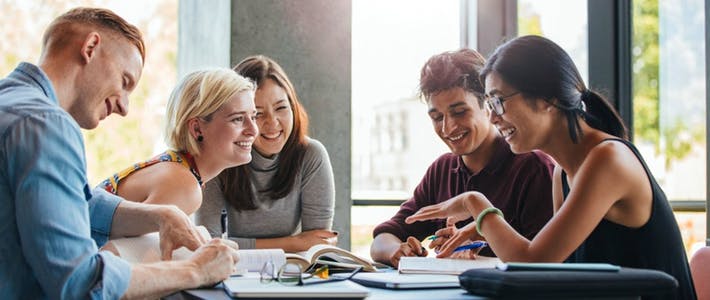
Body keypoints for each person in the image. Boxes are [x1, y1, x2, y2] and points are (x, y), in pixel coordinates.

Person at [406, 35, 696, 299]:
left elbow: (534, 262)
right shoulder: (563, 172)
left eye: (498, 102)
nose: (493, 118)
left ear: (547, 99)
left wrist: (475, 204)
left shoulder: (607, 159)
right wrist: (483, 232)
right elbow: (554, 272)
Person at [0, 8, 239, 299]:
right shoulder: (46, 125)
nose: (124, 108)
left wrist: (162, 215)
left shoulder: (11, 105)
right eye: (125, 81)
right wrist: (196, 270)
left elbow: (74, 201)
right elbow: (80, 283)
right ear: (90, 47)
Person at [369, 49, 555, 268]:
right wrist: (397, 251)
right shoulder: (442, 170)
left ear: (488, 105)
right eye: (437, 117)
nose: (447, 128)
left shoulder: (533, 168)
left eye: (459, 112)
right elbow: (383, 238)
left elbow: (543, 262)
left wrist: (481, 243)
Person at [196, 55, 337, 252]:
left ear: (293, 107)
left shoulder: (311, 155)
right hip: (231, 271)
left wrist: (241, 244)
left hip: (293, 273)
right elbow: (208, 244)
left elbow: (317, 243)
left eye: (281, 108)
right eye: (258, 114)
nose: (272, 123)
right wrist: (293, 242)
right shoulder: (218, 157)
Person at [99, 68, 258, 215]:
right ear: (197, 129)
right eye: (237, 119)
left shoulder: (179, 169)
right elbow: (118, 246)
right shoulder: (183, 185)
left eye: (253, 117)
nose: (253, 130)